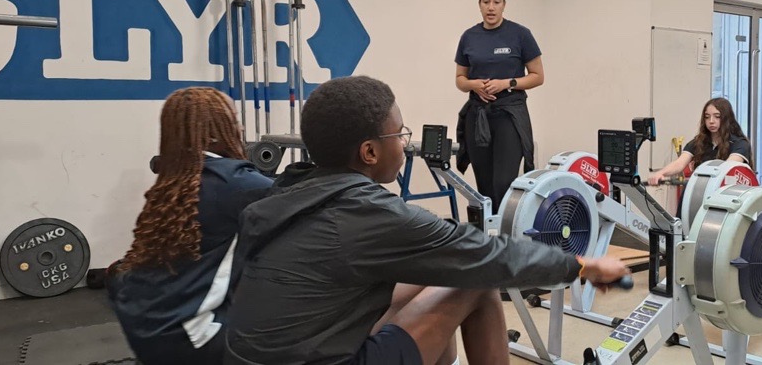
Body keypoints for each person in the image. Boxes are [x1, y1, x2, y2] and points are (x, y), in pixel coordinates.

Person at [224, 76, 628, 365]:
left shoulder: (281, 193)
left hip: (258, 351)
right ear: (369, 152)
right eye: (399, 134)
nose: (404, 142)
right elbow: (485, 255)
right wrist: (581, 264)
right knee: (477, 281)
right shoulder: (366, 213)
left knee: (445, 274)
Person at [107, 87, 272, 365]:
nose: (241, 127)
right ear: (216, 133)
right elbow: (300, 204)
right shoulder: (237, 184)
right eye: (232, 121)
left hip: (143, 328)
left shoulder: (173, 180)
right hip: (193, 340)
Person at [455, 0, 544, 215]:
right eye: (486, 2)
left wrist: (508, 83)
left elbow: (537, 76)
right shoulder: (469, 37)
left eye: (496, 1)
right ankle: (486, 242)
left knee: (503, 183)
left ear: (504, 4)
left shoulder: (520, 35)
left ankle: (507, 239)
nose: (491, 7)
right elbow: (460, 80)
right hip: (478, 117)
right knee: (483, 187)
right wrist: (474, 85)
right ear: (479, 5)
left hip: (509, 114)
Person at [647, 97, 751, 186]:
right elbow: (679, 163)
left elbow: (728, 168)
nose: (711, 121)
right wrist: (661, 173)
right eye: (707, 117)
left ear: (727, 118)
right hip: (699, 194)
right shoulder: (699, 142)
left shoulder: (740, 144)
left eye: (717, 116)